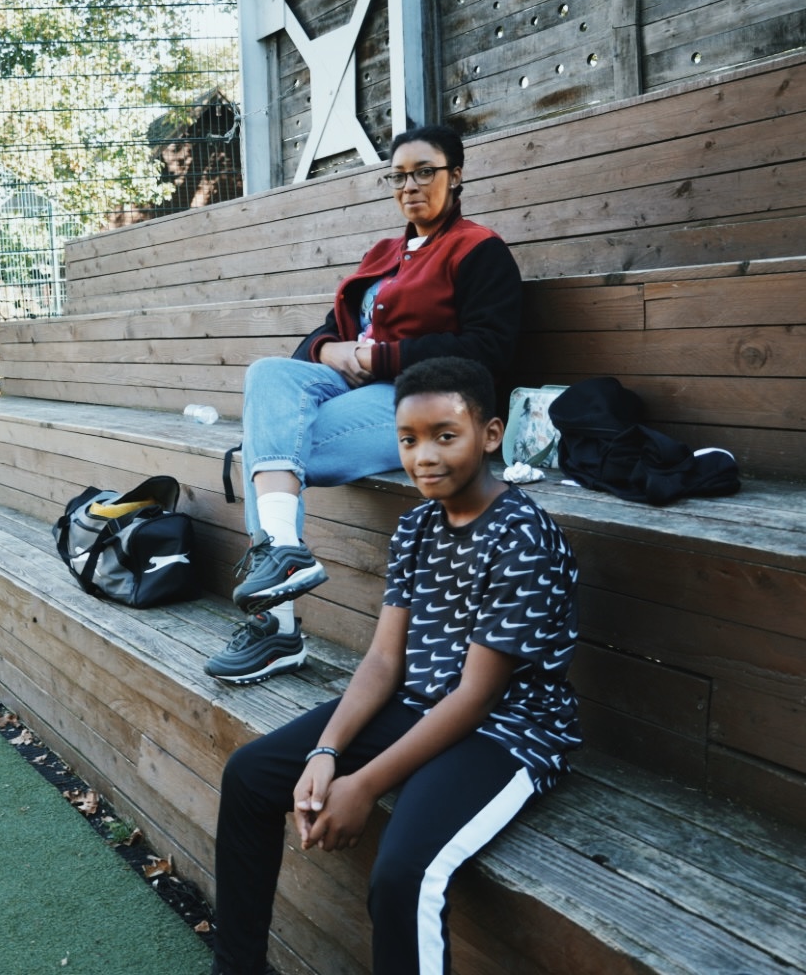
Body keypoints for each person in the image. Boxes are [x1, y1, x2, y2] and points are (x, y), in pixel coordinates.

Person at [210, 356, 580, 975]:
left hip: (507, 730)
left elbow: (477, 696)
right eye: (408, 440)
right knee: (250, 775)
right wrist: (326, 754)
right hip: (417, 700)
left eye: (445, 436)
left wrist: (364, 784)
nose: (424, 456)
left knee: (406, 874)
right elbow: (384, 660)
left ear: (490, 435)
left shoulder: (524, 537)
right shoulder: (416, 525)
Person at [204, 124, 523, 684]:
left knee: (269, 451)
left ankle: (275, 629)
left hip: (423, 403)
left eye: (426, 172)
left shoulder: (479, 249)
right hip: (352, 387)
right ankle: (281, 549)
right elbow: (324, 334)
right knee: (268, 376)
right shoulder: (385, 253)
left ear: (457, 176)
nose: (411, 185)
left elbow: (488, 351)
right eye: (399, 176)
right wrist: (332, 348)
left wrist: (381, 359)